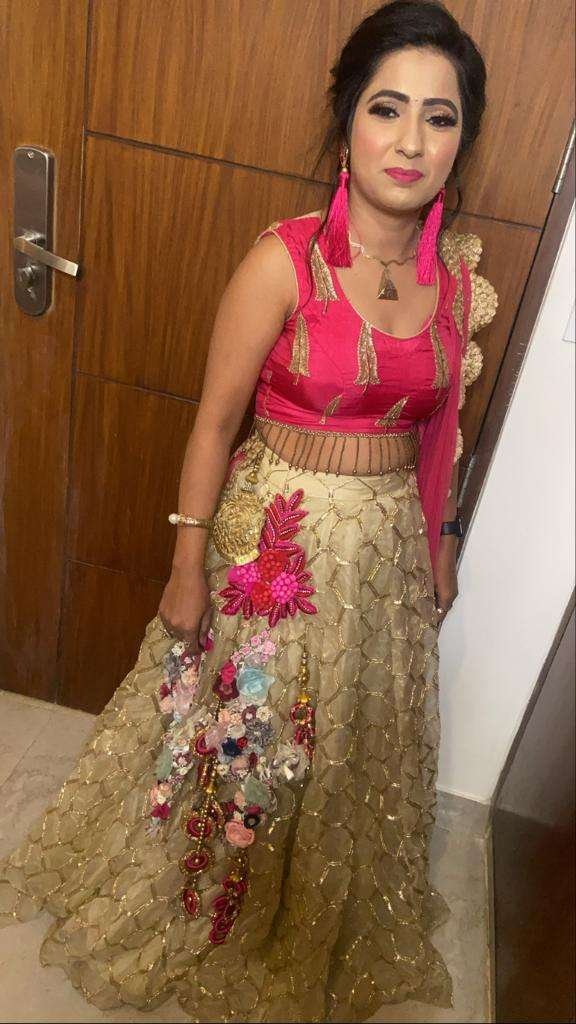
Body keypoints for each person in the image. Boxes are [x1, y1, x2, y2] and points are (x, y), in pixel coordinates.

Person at [0, 1, 498, 1020]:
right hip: (276, 557)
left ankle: (309, 900)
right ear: (346, 123)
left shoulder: (454, 277)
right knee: (249, 740)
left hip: (383, 563)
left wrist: (443, 539)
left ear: (461, 140)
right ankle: (211, 896)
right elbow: (213, 423)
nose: (411, 141)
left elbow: (443, 430)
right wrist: (185, 568)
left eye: (440, 117)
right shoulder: (285, 261)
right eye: (388, 108)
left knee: (347, 745)